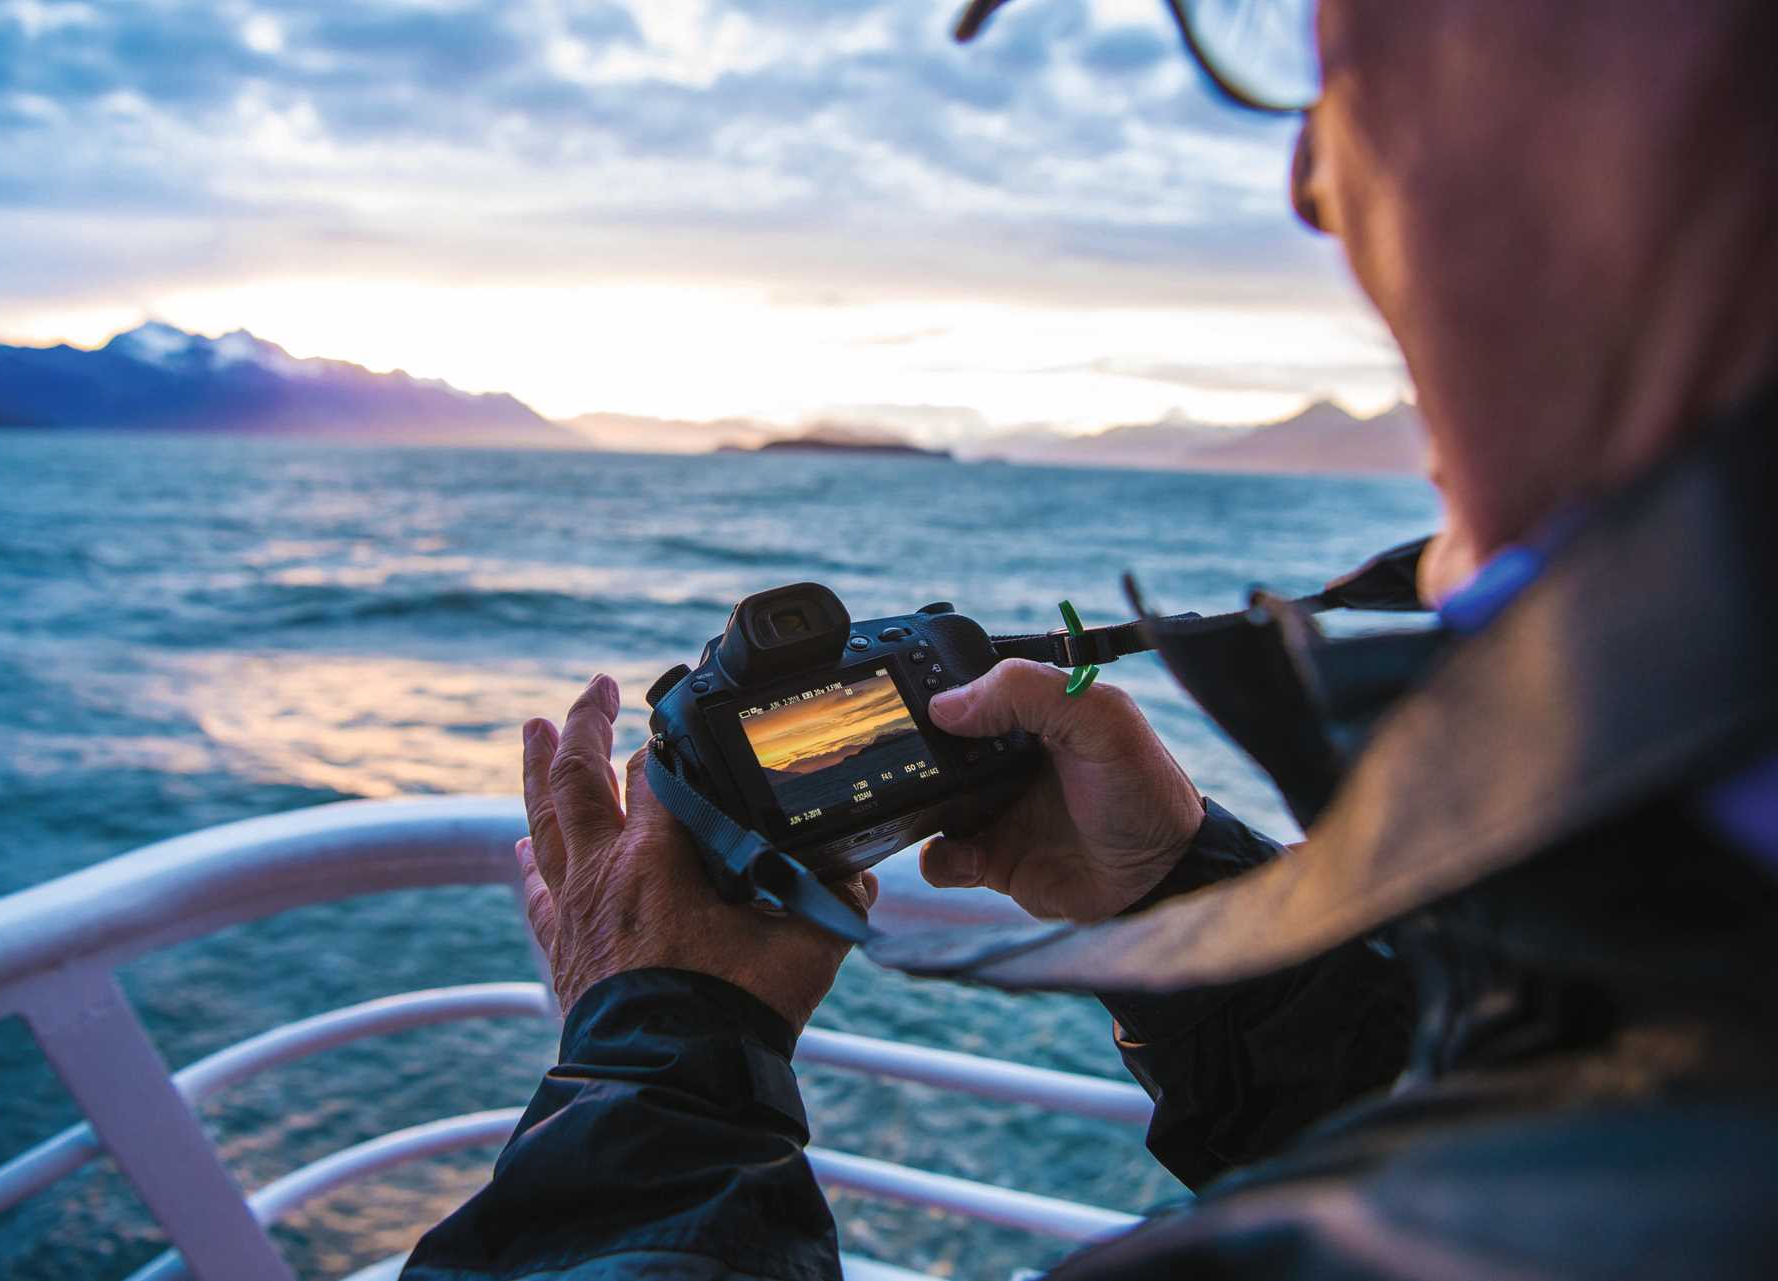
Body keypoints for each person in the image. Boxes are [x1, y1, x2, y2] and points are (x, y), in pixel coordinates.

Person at [405, 0, 1778, 1276]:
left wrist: (651, 1064)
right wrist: (1185, 897)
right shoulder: (1695, 948)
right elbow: (1516, 1107)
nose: (1312, 181)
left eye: (1345, 45)